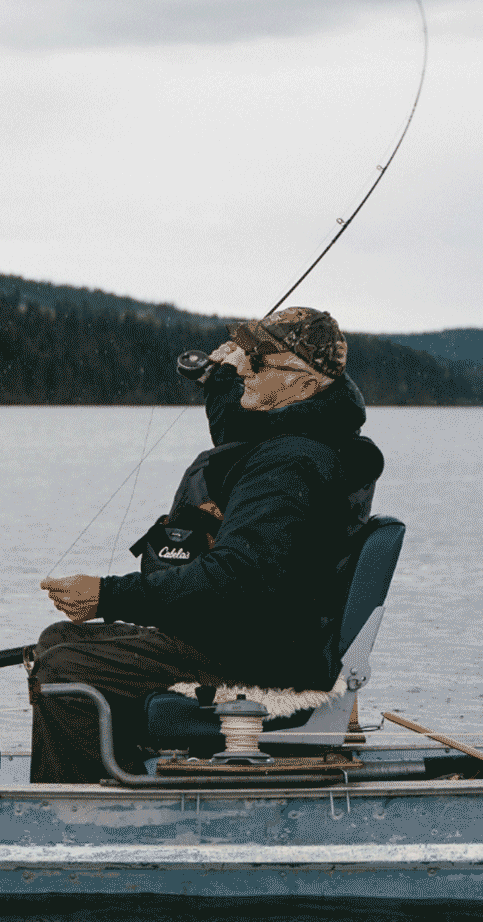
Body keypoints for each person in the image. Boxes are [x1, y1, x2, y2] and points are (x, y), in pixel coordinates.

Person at [30, 305, 385, 783]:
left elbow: (234, 580)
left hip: (266, 651)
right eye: (244, 357)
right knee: (56, 641)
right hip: (272, 632)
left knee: (66, 666)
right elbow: (243, 434)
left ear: (303, 384)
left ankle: (79, 816)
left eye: (257, 362)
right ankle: (122, 774)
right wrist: (219, 384)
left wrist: (108, 595)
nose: (242, 369)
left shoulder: (291, 466)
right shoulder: (309, 434)